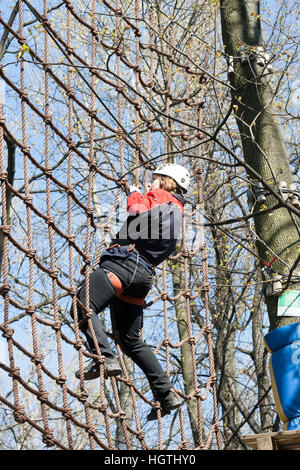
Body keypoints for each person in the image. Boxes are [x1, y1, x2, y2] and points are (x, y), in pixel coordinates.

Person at [70, 163, 190, 421]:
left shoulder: (161, 197)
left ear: (166, 182)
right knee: (130, 340)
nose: (151, 183)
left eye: (154, 179)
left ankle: (103, 356)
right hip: (143, 276)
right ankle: (166, 393)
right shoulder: (177, 213)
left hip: (124, 264)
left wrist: (136, 192)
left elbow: (136, 214)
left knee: (82, 305)